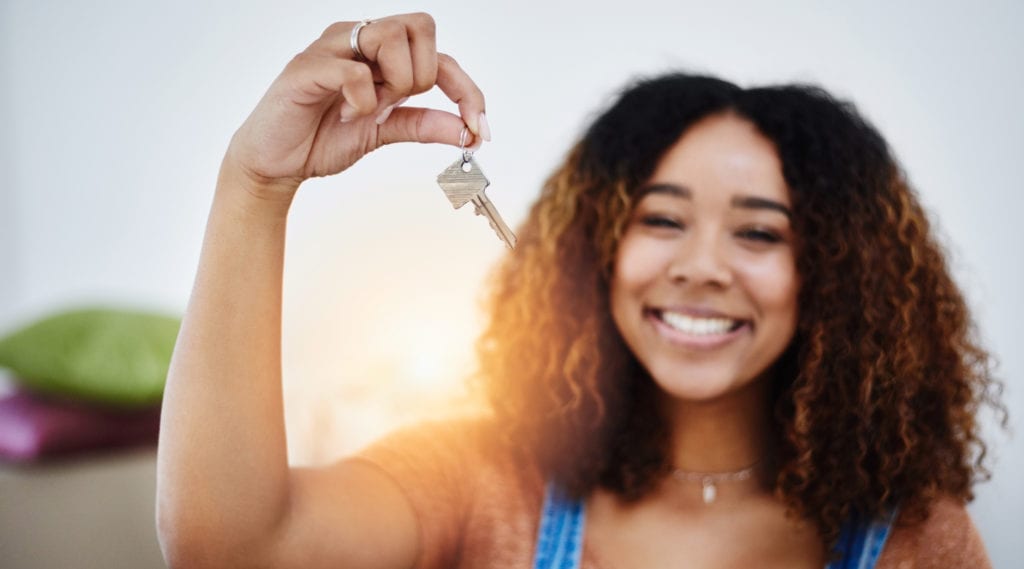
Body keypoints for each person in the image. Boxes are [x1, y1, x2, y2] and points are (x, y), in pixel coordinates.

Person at [155, 12, 1004, 569]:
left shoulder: (918, 538)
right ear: (594, 249)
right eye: (662, 221)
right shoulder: (483, 481)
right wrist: (255, 184)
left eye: (759, 232)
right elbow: (233, 544)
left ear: (842, 276)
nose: (702, 264)